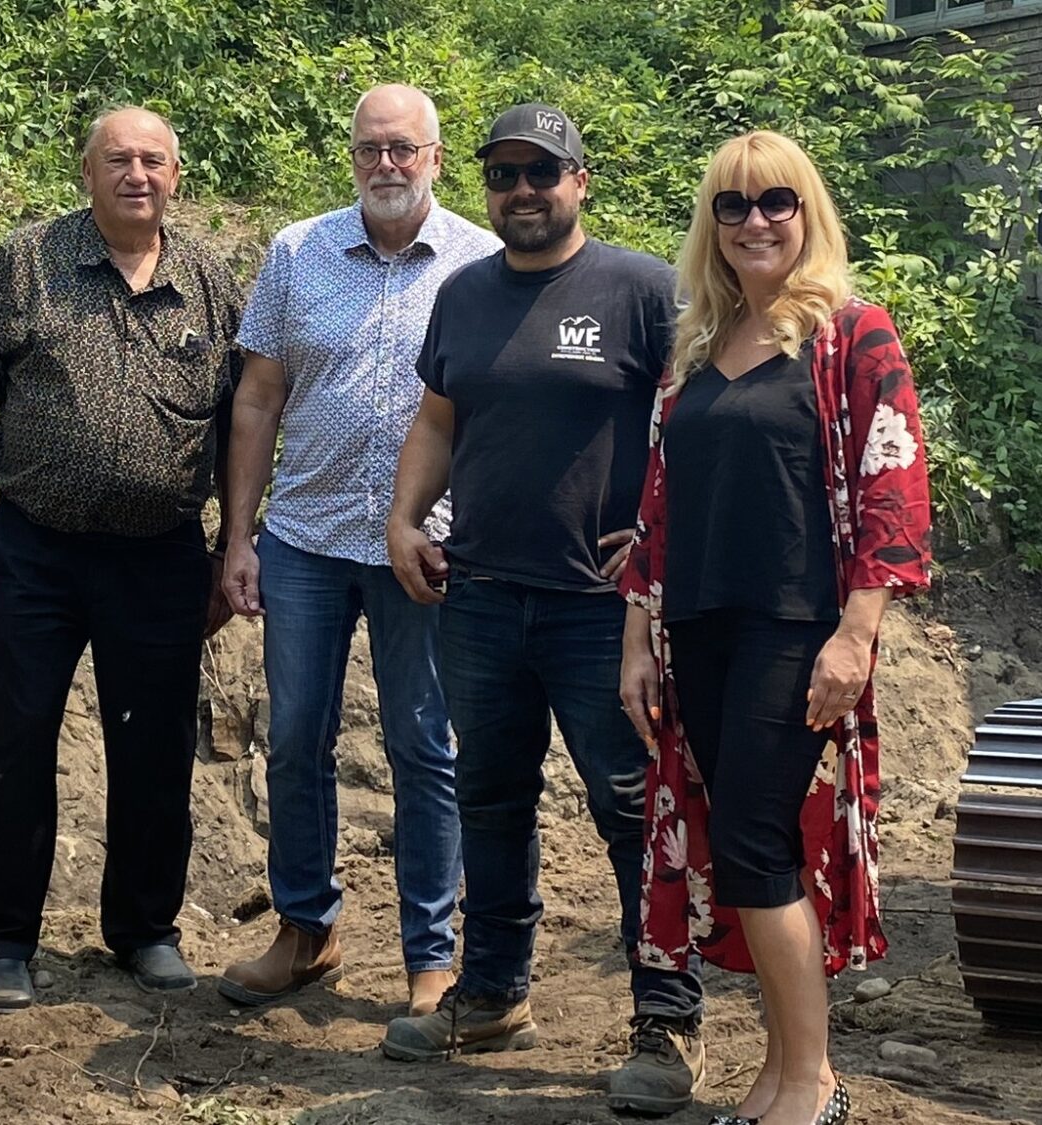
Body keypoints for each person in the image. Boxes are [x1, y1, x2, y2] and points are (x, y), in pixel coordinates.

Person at [381, 103, 705, 1114]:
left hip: (598, 611)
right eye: (504, 175)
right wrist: (402, 520)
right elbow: (437, 415)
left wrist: (662, 546)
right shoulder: (463, 294)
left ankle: (664, 1018)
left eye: (540, 172)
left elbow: (700, 421)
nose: (521, 190)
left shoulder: (642, 290)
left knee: (626, 810)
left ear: (579, 179)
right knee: (488, 798)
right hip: (476, 594)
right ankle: (489, 993)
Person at [616, 130, 930, 1125]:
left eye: (774, 202)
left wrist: (856, 633)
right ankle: (773, 1070)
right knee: (737, 850)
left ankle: (813, 1082)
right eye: (731, 206)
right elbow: (655, 507)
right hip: (697, 629)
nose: (754, 221)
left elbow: (892, 491)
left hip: (793, 630)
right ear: (708, 226)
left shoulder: (851, 333)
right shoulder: (695, 351)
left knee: (755, 844)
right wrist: (636, 634)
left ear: (807, 213)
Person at [0, 106, 242, 1013]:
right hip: (37, 547)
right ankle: (1, 940)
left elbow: (243, 420)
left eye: (153, 160)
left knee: (154, 753)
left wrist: (234, 543)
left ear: (176, 176)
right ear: (88, 171)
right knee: (17, 743)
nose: (136, 174)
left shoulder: (212, 283)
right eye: (118, 159)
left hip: (161, 558)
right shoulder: (26, 263)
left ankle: (146, 929)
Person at [217, 84, 498, 1019]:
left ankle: (432, 953)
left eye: (403, 149)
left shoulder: (482, 261)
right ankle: (307, 929)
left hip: (428, 547)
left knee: (426, 745)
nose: (387, 164)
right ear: (353, 156)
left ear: (435, 158)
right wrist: (239, 532)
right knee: (296, 738)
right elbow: (257, 398)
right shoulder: (297, 252)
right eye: (371, 149)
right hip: (305, 538)